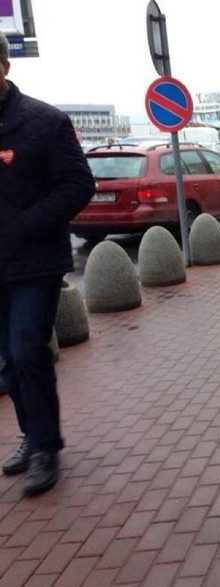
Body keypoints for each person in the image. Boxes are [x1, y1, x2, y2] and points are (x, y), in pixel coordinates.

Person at [0, 32, 96, 496]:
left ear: (4, 66)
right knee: (6, 362)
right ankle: (31, 434)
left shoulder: (44, 122)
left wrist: (26, 224)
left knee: (26, 350)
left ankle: (45, 448)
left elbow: (79, 183)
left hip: (34, 261)